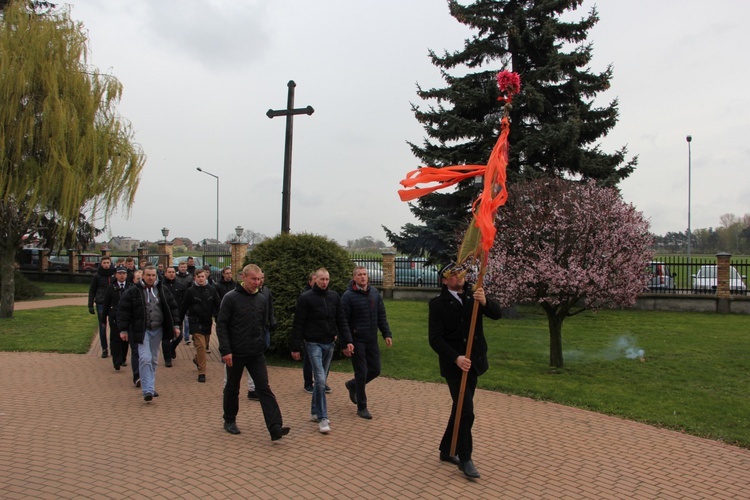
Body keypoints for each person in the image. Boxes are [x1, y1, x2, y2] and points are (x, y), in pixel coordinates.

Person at [428, 262, 502, 479]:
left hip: (474, 363)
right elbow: (435, 339)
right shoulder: (438, 304)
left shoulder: (474, 296)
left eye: (461, 273)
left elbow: (497, 314)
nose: (459, 277)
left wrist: (485, 301)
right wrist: (456, 358)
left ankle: (446, 449)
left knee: (460, 408)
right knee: (466, 411)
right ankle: (465, 457)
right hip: (455, 367)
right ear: (444, 280)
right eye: (453, 275)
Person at [217, 264, 290, 440]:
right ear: (244, 277)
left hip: (256, 353)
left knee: (264, 388)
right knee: (232, 387)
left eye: (259, 279)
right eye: (253, 279)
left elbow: (262, 325)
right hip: (235, 352)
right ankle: (229, 420)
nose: (256, 283)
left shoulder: (262, 299)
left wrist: (262, 345)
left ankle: (275, 427)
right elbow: (221, 326)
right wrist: (226, 350)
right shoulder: (230, 298)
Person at [291, 268, 354, 434]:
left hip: (329, 343)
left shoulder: (334, 297)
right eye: (321, 279)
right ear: (314, 279)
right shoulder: (305, 298)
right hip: (313, 343)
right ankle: (322, 417)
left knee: (321, 380)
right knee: (319, 379)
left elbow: (341, 320)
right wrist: (295, 346)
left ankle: (314, 411)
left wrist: (346, 341)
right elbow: (298, 323)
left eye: (327, 279)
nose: (324, 282)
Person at [118, 265, 181, 402]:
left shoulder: (162, 290)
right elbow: (124, 311)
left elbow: (173, 308)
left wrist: (175, 325)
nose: (151, 278)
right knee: (144, 358)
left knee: (152, 359)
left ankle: (150, 387)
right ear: (143, 276)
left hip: (158, 329)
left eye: (153, 275)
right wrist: (123, 329)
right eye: (148, 275)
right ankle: (147, 390)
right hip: (142, 330)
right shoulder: (133, 292)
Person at [341, 266, 393, 420]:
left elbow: (381, 315)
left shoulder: (375, 293)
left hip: (371, 339)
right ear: (354, 277)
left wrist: (386, 333)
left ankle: (352, 384)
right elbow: (343, 321)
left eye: (365, 274)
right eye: (359, 275)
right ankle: (362, 407)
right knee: (361, 372)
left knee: (375, 369)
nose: (363, 277)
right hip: (357, 340)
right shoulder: (348, 297)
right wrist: (346, 342)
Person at [180, 268, 220, 383]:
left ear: (205, 277)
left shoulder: (212, 290)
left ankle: (197, 359)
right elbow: (183, 307)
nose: (201, 278)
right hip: (195, 322)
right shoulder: (190, 291)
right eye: (199, 277)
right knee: (201, 346)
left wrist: (220, 317)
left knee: (205, 345)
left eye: (203, 276)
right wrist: (178, 322)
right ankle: (202, 372)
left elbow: (218, 305)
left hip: (207, 322)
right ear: (195, 278)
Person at [244, 270, 277, 400]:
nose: (259, 281)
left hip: (261, 329)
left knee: (263, 348)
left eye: (261, 278)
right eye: (256, 279)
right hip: (242, 339)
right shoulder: (235, 296)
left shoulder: (266, 292)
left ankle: (255, 388)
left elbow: (269, 308)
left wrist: (271, 321)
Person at [102, 265, 131, 370]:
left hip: (126, 318)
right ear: (116, 275)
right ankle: (116, 360)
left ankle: (123, 358)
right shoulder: (111, 287)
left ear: (126, 275)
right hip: (114, 317)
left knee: (125, 339)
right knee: (115, 339)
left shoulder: (130, 287)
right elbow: (106, 304)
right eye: (120, 273)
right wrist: (103, 319)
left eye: (124, 273)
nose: (122, 276)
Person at [88, 255, 115, 358]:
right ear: (101, 264)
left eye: (108, 263)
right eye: (104, 263)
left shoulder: (114, 274)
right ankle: (104, 348)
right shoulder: (97, 276)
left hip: (112, 303)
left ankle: (114, 347)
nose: (106, 265)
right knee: (103, 326)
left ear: (110, 263)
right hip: (101, 302)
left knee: (114, 326)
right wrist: (90, 305)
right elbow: (92, 290)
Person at [161, 266, 188, 366]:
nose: (171, 274)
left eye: (173, 272)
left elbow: (184, 300)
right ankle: (167, 359)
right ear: (165, 273)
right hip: (164, 315)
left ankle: (172, 348)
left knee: (179, 336)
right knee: (166, 338)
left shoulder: (180, 285)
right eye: (169, 272)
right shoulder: (161, 285)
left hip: (177, 314)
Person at [174, 261, 194, 345]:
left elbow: (191, 288)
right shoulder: (175, 276)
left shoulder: (190, 277)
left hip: (186, 301)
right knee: (178, 320)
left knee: (186, 321)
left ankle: (186, 337)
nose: (183, 268)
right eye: (181, 267)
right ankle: (178, 336)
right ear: (178, 267)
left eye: (184, 267)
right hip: (177, 301)